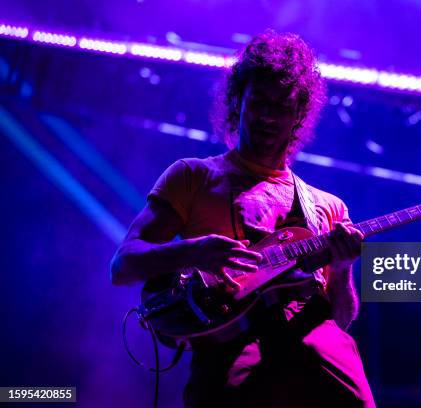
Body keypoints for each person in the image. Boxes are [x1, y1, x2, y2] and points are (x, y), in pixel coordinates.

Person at [110, 29, 376, 408]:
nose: (268, 116)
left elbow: (342, 319)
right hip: (230, 358)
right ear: (239, 101)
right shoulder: (193, 176)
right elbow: (123, 264)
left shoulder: (327, 208)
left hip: (313, 362)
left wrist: (344, 267)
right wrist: (195, 251)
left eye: (281, 106)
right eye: (259, 102)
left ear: (299, 114)